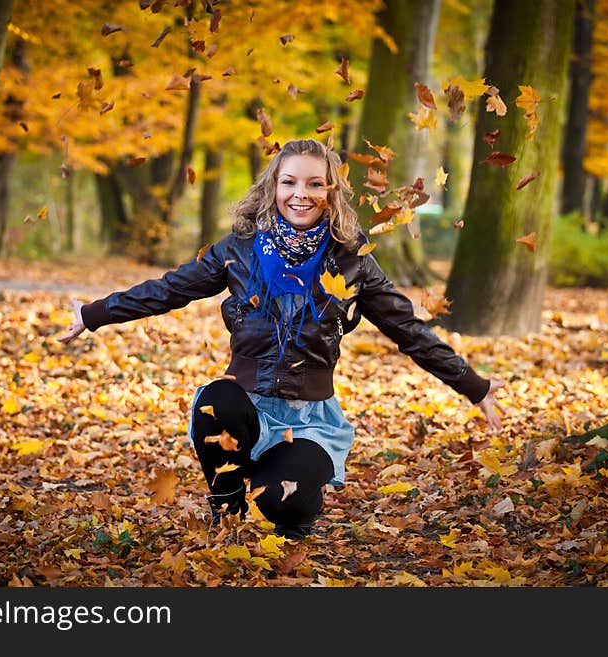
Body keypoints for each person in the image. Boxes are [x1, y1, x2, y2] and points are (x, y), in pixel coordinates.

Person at [57, 138, 506, 539]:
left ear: (331, 193)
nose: (301, 194)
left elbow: (409, 331)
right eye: (289, 182)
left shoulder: (353, 262)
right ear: (273, 187)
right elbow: (170, 289)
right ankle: (227, 504)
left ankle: (277, 490)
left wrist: (474, 386)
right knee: (217, 401)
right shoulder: (239, 249)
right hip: (246, 406)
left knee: (283, 505)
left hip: (308, 419)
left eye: (314, 184)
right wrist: (94, 314)